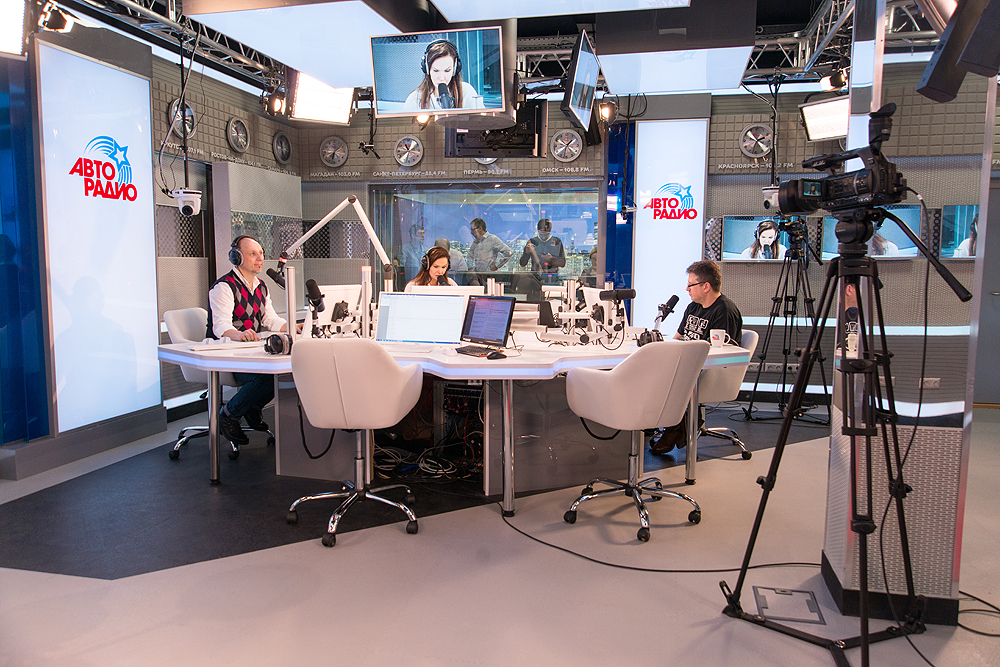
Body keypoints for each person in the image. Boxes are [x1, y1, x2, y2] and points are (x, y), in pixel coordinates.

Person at [650, 260, 744, 456]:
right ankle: (667, 423)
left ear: (706, 286)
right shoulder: (693, 306)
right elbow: (678, 337)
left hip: (709, 372)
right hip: (686, 364)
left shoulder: (725, 311)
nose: (687, 289)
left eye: (691, 284)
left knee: (668, 378)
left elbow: (721, 354)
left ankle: (677, 426)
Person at [206, 235, 289, 445]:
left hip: (250, 353)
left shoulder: (261, 286)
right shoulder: (224, 287)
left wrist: (294, 327)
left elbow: (270, 319)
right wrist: (239, 334)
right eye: (252, 254)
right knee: (266, 377)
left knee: (283, 373)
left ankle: (252, 408)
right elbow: (220, 326)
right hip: (226, 356)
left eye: (261, 253)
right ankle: (228, 414)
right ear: (237, 257)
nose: (260, 258)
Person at [402, 39, 485, 112]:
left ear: (455, 69)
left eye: (447, 70)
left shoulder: (467, 92)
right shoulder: (415, 100)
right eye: (436, 70)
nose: (441, 78)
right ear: (427, 69)